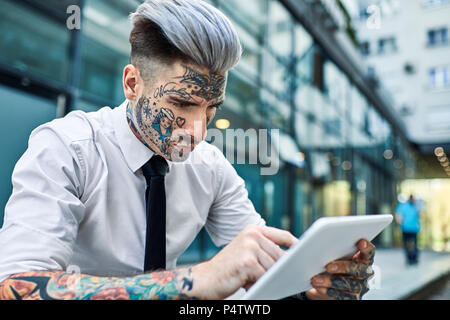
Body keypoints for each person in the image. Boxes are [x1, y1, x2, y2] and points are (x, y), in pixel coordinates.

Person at [0, 0, 375, 300]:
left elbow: (265, 266)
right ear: (132, 83)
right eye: (182, 103)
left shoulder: (210, 168)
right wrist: (195, 281)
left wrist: (315, 287)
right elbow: (15, 287)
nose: (198, 130)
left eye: (212, 109)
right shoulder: (67, 148)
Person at [395, 195, 421, 265]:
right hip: (405, 228)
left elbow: (420, 212)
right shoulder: (403, 206)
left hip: (414, 229)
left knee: (414, 245)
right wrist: (400, 222)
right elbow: (398, 215)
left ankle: (414, 259)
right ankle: (409, 259)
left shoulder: (416, 206)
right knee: (406, 245)